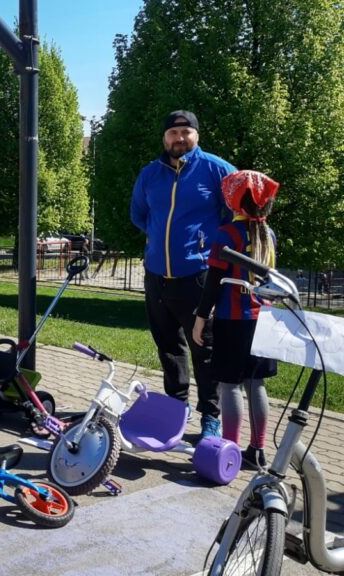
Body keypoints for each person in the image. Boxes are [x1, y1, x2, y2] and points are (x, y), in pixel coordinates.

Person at [130, 110, 236, 439]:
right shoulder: (150, 174)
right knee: (169, 348)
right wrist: (162, 242)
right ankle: (177, 408)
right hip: (157, 277)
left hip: (199, 277)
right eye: (173, 132)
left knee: (203, 349)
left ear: (196, 136)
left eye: (186, 132)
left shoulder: (216, 169)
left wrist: (210, 244)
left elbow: (239, 212)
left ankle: (210, 417)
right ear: (164, 138)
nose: (179, 138)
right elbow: (139, 214)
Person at [192, 170, 279, 469]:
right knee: (256, 385)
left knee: (230, 385)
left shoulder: (226, 234)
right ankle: (257, 450)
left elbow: (213, 281)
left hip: (234, 318)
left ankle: (228, 449)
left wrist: (201, 318)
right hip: (263, 319)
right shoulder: (269, 234)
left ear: (234, 200)